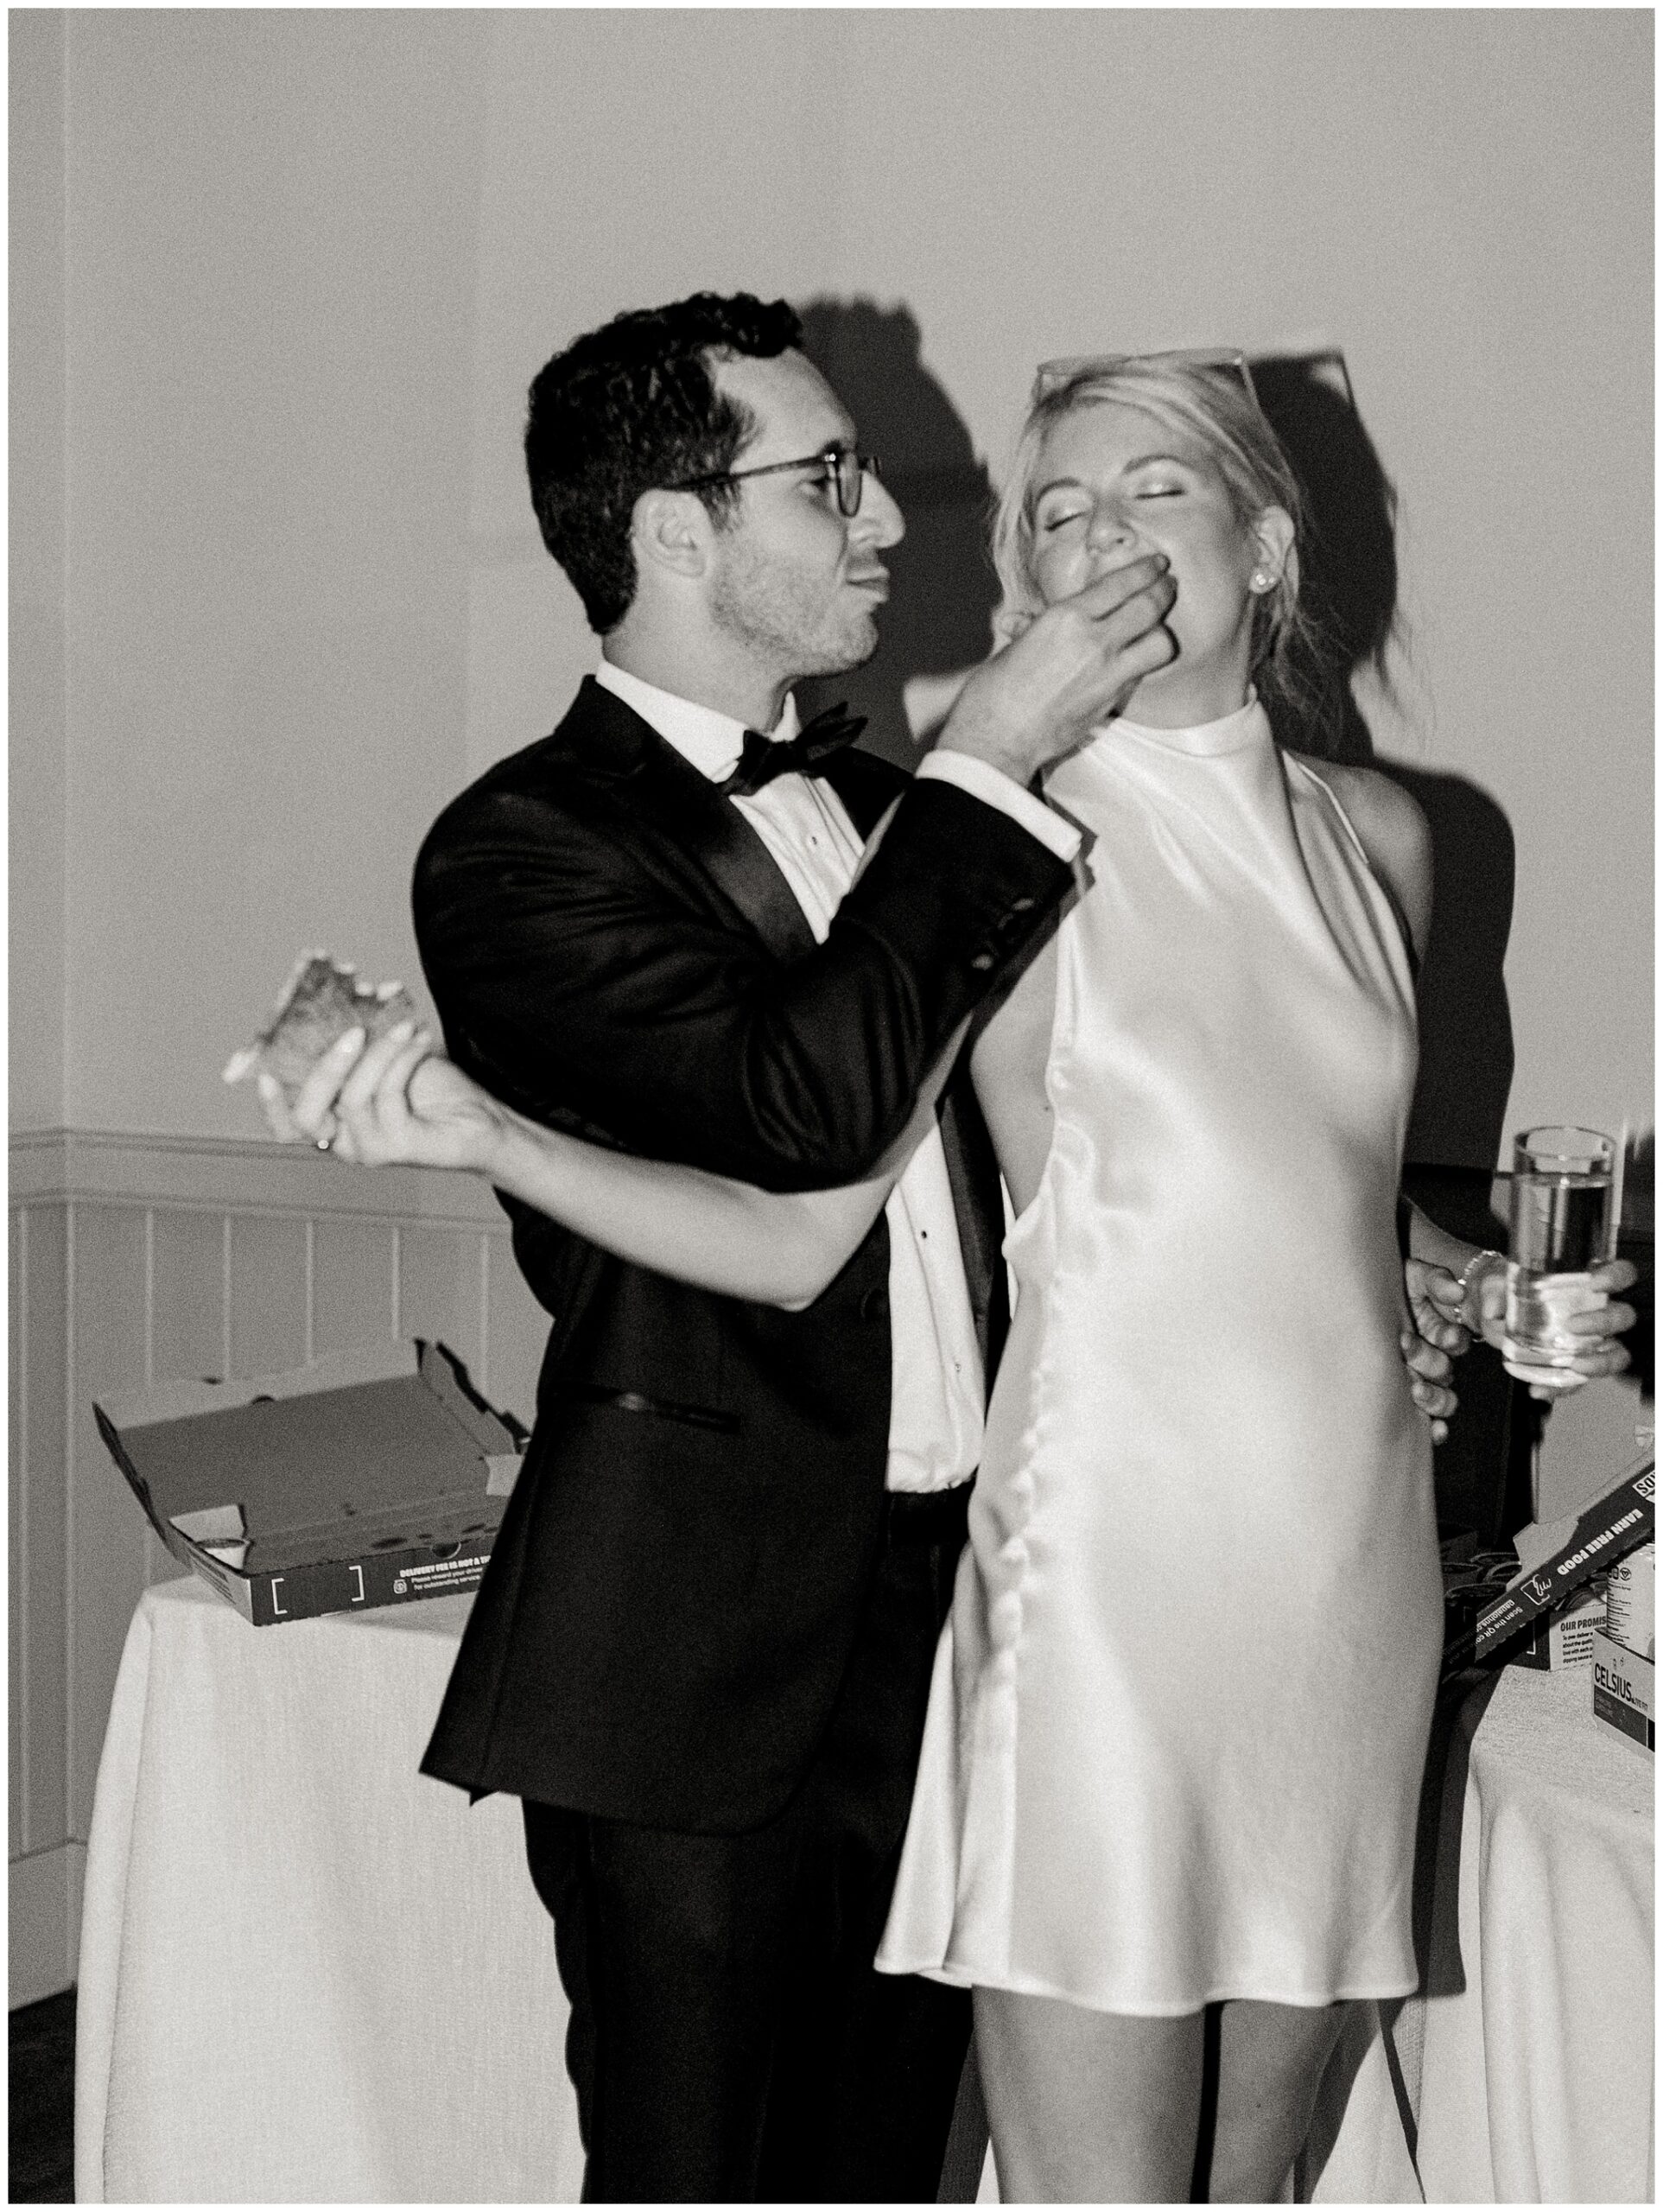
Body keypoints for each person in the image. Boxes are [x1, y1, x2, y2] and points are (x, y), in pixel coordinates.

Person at [261, 341, 1633, 2200]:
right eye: (1056, 506)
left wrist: (1459, 1282)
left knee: (1245, 2158)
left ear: (1268, 540)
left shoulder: (1387, 836)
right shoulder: (967, 846)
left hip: (1338, 1567)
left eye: (1150, 489)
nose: (1089, 533)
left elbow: (1311, 1175)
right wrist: (476, 1128)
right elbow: (800, 1175)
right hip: (1095, 1566)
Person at [301, 289, 1195, 2206]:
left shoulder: (890, 808)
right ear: (679, 534)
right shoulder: (521, 848)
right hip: (696, 1648)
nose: (883, 524)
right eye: (830, 481)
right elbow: (801, 1116)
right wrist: (994, 758)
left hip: (958, 1621)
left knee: (885, 2167)